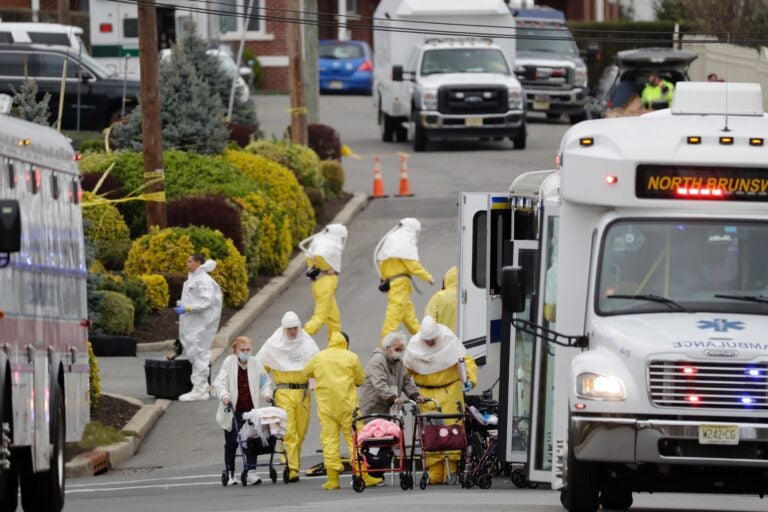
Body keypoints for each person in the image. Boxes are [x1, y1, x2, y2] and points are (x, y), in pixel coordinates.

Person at [403, 316, 477, 485]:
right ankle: (435, 470)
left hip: (450, 392)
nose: (429, 344)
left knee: (452, 431)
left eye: (432, 340)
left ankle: (451, 467)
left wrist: (470, 380)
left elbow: (466, 361)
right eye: (427, 341)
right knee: (431, 433)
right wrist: (408, 392)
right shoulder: (415, 347)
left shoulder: (449, 341)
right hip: (426, 396)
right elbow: (406, 372)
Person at [255, 311, 319, 482]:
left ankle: (292, 461)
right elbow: (260, 370)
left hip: (303, 392)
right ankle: (292, 467)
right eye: (289, 328)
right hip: (283, 392)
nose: (292, 332)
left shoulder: (307, 344)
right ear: (283, 329)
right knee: (289, 430)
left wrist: (316, 384)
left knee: (301, 431)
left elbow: (317, 366)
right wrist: (266, 391)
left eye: (295, 328)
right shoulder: (273, 345)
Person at [302, 331, 365, 490]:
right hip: (347, 406)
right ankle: (363, 475)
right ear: (346, 343)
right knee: (355, 439)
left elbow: (306, 372)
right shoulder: (351, 357)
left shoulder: (319, 357)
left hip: (327, 407)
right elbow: (360, 380)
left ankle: (332, 479)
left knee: (329, 441)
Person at [214, 336, 273, 486]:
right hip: (233, 409)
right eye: (243, 350)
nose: (246, 353)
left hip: (250, 410)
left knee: (252, 441)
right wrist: (225, 396)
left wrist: (266, 393)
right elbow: (220, 383)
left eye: (248, 350)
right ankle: (231, 473)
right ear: (235, 350)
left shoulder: (255, 363)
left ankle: (251, 472)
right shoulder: (229, 363)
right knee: (232, 441)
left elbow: (264, 382)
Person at [375, 218, 434, 340]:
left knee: (409, 316)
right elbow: (412, 265)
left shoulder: (392, 241)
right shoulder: (403, 243)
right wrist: (428, 277)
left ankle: (423, 339)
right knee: (394, 316)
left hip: (394, 283)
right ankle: (385, 345)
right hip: (400, 284)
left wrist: (384, 279)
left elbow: (382, 263)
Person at [175, 254, 223, 402]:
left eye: (190, 261)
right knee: (195, 353)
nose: (187, 263)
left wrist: (187, 308)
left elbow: (205, 302)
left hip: (201, 325)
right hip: (194, 323)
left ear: (198, 262)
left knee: (200, 353)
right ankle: (199, 388)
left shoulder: (203, 280)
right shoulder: (195, 278)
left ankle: (200, 389)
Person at [299, 223, 348, 339]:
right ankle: (301, 337)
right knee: (320, 316)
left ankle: (335, 345)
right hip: (326, 283)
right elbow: (319, 255)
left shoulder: (319, 241)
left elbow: (310, 255)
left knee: (334, 318)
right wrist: (327, 267)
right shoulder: (328, 244)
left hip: (319, 282)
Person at [359, 331, 422, 418]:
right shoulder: (377, 361)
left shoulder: (399, 362)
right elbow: (379, 384)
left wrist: (415, 395)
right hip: (373, 406)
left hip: (389, 405)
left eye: (401, 350)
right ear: (387, 347)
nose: (399, 353)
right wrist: (392, 397)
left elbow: (406, 381)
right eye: (397, 349)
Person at [424, 266, 458, 333]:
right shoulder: (468, 295)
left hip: (443, 340)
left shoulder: (438, 296)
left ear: (446, 279)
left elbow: (429, 321)